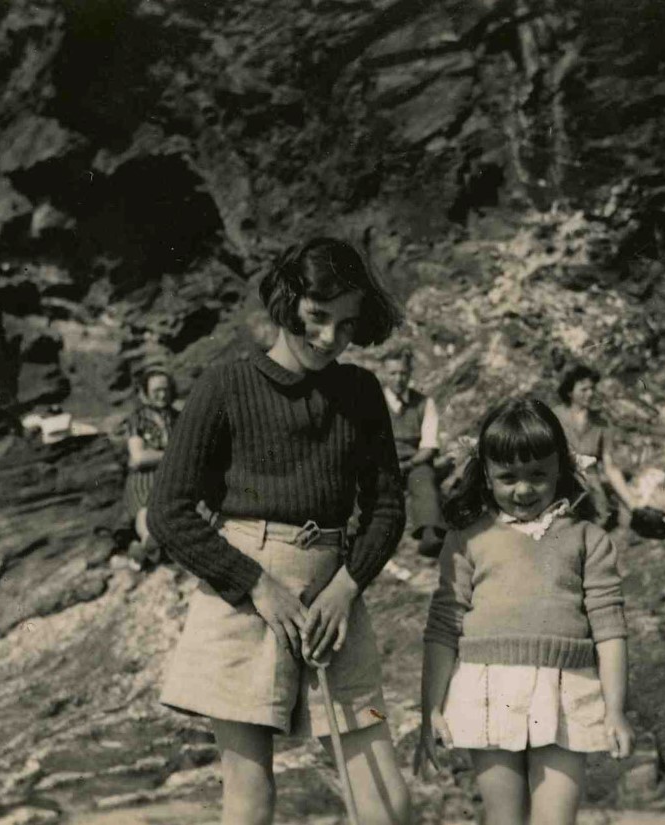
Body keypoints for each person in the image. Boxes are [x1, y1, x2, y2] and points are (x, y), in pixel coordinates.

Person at [148, 237, 412, 825]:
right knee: (249, 796)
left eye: (346, 325)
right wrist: (257, 587)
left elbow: (388, 510)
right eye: (318, 317)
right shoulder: (224, 386)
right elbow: (168, 510)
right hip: (246, 595)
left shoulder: (361, 393)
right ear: (288, 302)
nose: (329, 339)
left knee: (386, 800)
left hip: (333, 595)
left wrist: (347, 588)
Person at [414, 397, 633, 825]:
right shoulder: (468, 539)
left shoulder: (588, 538)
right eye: (507, 477)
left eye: (538, 475)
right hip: (488, 691)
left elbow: (610, 631)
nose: (523, 489)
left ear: (561, 470)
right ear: (486, 476)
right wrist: (431, 710)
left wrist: (616, 710)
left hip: (569, 691)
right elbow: (443, 628)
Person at [378, 346, 447, 558]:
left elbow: (429, 445)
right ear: (384, 373)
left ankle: (430, 532)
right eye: (393, 373)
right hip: (382, 462)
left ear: (409, 373)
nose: (398, 379)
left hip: (414, 462)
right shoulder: (372, 401)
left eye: (403, 373)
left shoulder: (424, 403)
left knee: (424, 480)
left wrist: (408, 465)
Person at [551, 365, 637, 530]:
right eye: (583, 390)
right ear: (570, 392)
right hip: (559, 480)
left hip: (590, 482)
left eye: (592, 389)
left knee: (605, 516)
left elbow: (610, 466)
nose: (590, 394)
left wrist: (631, 502)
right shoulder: (554, 417)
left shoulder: (602, 424)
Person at [119, 367, 180, 569]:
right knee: (147, 509)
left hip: (173, 476)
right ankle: (148, 540)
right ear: (145, 393)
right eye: (156, 391)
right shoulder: (137, 419)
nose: (162, 395)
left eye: (166, 389)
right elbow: (138, 458)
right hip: (145, 478)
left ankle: (140, 550)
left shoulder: (180, 417)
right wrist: (173, 455)